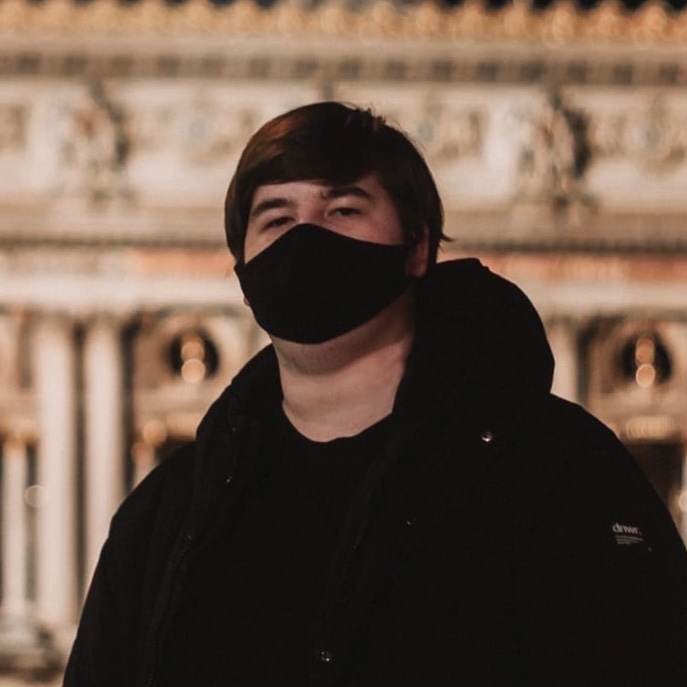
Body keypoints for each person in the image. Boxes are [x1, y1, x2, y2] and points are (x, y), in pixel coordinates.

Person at [64, 101, 687, 687]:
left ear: (417, 248)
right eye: (277, 219)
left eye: (342, 210)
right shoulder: (167, 518)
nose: (304, 238)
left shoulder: (563, 471)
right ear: (243, 273)